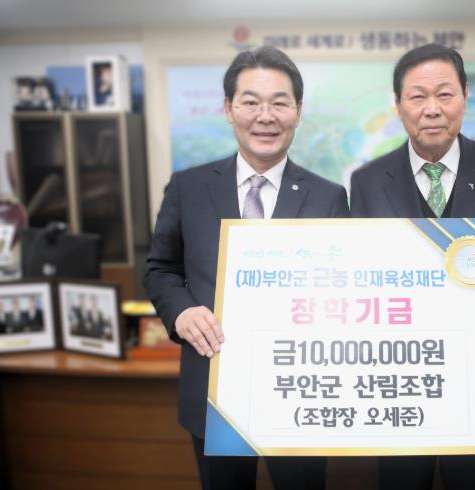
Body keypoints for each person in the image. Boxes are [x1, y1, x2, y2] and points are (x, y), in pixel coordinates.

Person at [349, 43, 475, 490]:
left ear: (465, 97)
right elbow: (357, 269)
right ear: (398, 105)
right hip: (400, 379)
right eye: (417, 96)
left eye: (444, 94)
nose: (432, 109)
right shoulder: (367, 181)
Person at [144, 46, 350, 490]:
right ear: (228, 109)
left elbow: (345, 286)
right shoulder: (188, 187)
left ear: (298, 112)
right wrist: (182, 312)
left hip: (302, 391)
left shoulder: (329, 197)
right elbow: (160, 268)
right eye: (251, 102)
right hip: (215, 385)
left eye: (280, 103)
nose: (265, 116)